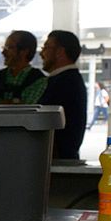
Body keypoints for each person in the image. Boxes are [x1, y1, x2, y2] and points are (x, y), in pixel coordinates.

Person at [38, 30, 87, 160]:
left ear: (60, 52)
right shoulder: (67, 79)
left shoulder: (64, 82)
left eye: (46, 47)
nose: (41, 53)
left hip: (57, 160)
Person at [0, 30, 47, 105]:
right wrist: (6, 103)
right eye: (4, 48)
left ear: (24, 51)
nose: (3, 52)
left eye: (9, 48)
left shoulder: (39, 80)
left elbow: (26, 108)